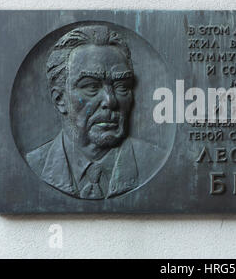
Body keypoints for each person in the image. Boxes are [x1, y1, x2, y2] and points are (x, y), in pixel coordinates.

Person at [26, 25, 163, 199]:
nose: (110, 101)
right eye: (91, 86)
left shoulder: (152, 162)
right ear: (59, 99)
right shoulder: (35, 164)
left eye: (121, 86)